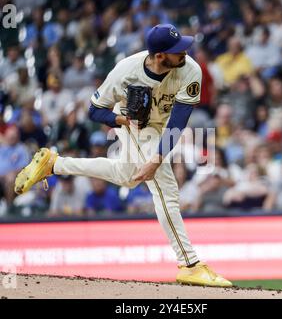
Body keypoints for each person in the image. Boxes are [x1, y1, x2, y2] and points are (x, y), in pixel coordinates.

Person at [14, 24, 232, 287]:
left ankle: (55, 164)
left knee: (127, 177)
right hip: (135, 124)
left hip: (162, 125)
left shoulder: (190, 69)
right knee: (166, 189)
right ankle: (190, 264)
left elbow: (178, 122)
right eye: (177, 50)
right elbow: (95, 111)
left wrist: (156, 158)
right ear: (160, 55)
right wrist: (121, 120)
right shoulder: (125, 71)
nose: (184, 52)